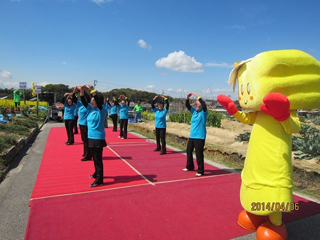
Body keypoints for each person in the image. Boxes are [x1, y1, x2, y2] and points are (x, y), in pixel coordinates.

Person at [80, 84, 106, 187]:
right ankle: (97, 173)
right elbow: (83, 101)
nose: (91, 101)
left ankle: (100, 180)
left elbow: (99, 102)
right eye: (91, 100)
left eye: (93, 100)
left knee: (98, 159)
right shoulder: (91, 110)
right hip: (90, 137)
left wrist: (92, 90)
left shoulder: (101, 110)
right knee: (94, 159)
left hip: (98, 138)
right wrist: (82, 91)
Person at [183, 92, 208, 177]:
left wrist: (197, 96)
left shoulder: (203, 113)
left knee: (198, 154)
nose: (196, 105)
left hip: (200, 137)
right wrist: (187, 98)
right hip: (192, 136)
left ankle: (200, 170)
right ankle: (189, 166)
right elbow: (188, 105)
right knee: (189, 151)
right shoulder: (194, 112)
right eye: (195, 104)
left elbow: (204, 105)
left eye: (197, 103)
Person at [74, 86, 92, 161]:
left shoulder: (88, 105)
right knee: (84, 140)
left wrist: (82, 90)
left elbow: (83, 99)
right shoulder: (80, 104)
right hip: (81, 123)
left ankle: (88, 155)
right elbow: (73, 99)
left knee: (86, 140)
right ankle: (85, 152)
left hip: (86, 124)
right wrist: (74, 91)